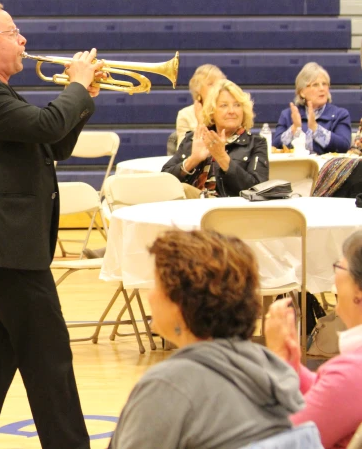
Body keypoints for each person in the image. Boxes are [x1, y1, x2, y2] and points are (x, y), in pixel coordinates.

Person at [0, 1, 102, 449]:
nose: (23, 40)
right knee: (49, 356)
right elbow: (48, 123)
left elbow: (51, 142)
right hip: (8, 244)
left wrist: (83, 96)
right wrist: (76, 84)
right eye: (13, 32)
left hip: (8, 243)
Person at [109, 229, 304, 449]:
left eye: (157, 284)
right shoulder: (274, 371)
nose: (150, 295)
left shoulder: (169, 386)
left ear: (180, 305)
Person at [266, 231, 362, 449]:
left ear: (359, 292)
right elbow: (329, 395)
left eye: (339, 267)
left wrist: (278, 364)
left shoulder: (350, 372)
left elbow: (284, 441)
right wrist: (291, 364)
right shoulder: (347, 373)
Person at [163, 79, 268, 197]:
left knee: (183, 189)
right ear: (212, 111)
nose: (231, 111)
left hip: (227, 210)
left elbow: (259, 191)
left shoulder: (256, 143)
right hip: (191, 208)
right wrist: (193, 160)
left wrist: (222, 158)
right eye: (224, 105)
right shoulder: (195, 138)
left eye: (237, 105)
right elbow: (164, 182)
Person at [272, 62, 352, 154]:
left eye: (324, 84)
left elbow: (344, 146)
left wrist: (316, 129)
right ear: (302, 92)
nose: (322, 89)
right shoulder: (288, 115)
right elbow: (275, 146)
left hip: (328, 167)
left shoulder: (340, 115)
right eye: (315, 85)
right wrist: (294, 128)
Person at [175, 64, 226, 147]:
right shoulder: (185, 115)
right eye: (211, 84)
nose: (217, 88)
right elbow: (182, 153)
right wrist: (201, 124)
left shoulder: (231, 111)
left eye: (220, 84)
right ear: (198, 89)